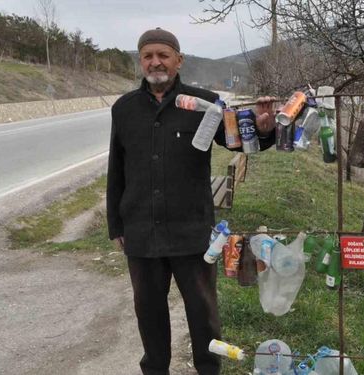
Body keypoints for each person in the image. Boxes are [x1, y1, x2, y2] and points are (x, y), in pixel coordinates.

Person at [106, 27, 276, 375]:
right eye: (148, 55)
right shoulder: (124, 109)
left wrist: (262, 129)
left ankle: (208, 369)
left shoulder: (204, 103)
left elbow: (235, 142)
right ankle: (155, 369)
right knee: (149, 312)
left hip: (192, 232)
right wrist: (116, 224)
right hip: (141, 230)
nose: (156, 62)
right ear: (141, 60)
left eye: (163, 55)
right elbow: (116, 170)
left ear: (178, 60)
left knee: (203, 312)